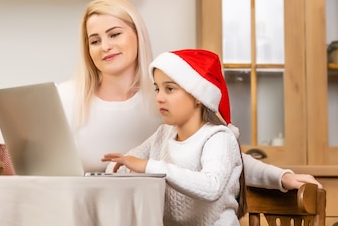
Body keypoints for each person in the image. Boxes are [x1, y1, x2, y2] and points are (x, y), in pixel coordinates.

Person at [55, 0, 320, 191]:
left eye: (115, 34)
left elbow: (223, 154)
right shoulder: (63, 98)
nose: (105, 47)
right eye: (95, 40)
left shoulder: (169, 100)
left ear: (138, 35)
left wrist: (281, 177)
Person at [102, 49, 247, 225]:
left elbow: (212, 186)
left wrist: (147, 166)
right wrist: (116, 169)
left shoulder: (218, 138)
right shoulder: (163, 134)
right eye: (157, 89)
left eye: (169, 89)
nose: (159, 98)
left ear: (198, 96)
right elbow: (122, 165)